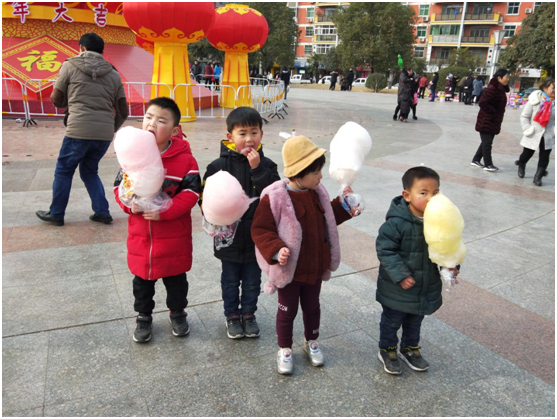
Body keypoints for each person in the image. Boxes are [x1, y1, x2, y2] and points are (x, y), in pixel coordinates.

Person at [251, 135, 353, 375]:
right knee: (287, 311)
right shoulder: (275, 197)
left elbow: (328, 218)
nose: (321, 177)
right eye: (316, 172)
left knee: (312, 307)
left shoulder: (317, 192)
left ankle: (312, 341)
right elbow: (260, 229)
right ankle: (284, 348)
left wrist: (345, 205)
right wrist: (276, 250)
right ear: (298, 173)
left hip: (315, 266)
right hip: (290, 270)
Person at [115, 97, 202, 343]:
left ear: (174, 130)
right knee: (142, 282)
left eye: (161, 120)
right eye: (148, 117)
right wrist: (129, 205)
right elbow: (119, 188)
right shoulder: (133, 155)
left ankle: (178, 313)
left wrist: (166, 210)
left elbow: (192, 192)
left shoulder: (185, 160)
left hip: (174, 237)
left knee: (176, 281)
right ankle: (143, 316)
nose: (152, 123)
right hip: (142, 237)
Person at [201, 107, 280, 339]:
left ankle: (248, 314)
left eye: (254, 133)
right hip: (229, 238)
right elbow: (205, 198)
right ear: (230, 136)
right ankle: (232, 315)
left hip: (257, 237)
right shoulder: (218, 166)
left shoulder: (268, 165)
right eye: (242, 133)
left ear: (261, 135)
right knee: (230, 280)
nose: (249, 139)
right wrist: (214, 220)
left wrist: (258, 169)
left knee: (253, 281)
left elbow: (275, 195)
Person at [36, 33, 128, 227]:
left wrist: (71, 103)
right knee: (89, 171)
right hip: (103, 135)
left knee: (64, 170)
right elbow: (123, 110)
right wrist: (110, 128)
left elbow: (56, 98)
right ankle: (102, 212)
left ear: (82, 48)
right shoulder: (114, 73)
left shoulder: (70, 66)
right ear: (102, 51)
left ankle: (56, 213)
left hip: (78, 130)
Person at [376, 166, 459, 375]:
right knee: (392, 321)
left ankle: (410, 348)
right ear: (407, 196)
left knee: (415, 321)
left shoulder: (439, 222)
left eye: (435, 193)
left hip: (424, 285)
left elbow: (445, 247)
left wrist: (451, 264)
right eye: (423, 193)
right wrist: (401, 275)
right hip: (397, 288)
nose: (430, 198)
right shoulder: (396, 223)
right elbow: (385, 250)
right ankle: (387, 349)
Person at [515, 79, 555, 186]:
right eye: (553, 88)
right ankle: (521, 164)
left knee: (544, 156)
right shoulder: (535, 100)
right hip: (533, 132)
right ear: (545, 89)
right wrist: (527, 128)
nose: (555, 90)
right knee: (527, 154)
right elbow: (524, 116)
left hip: (549, 134)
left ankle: (538, 176)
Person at [471, 68, 511, 172]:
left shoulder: (500, 89)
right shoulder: (492, 88)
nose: (507, 79)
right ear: (499, 78)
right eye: (506, 77)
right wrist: (493, 112)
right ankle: (488, 164)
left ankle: (476, 160)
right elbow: (482, 102)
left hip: (493, 121)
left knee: (486, 142)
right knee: (487, 143)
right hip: (486, 120)